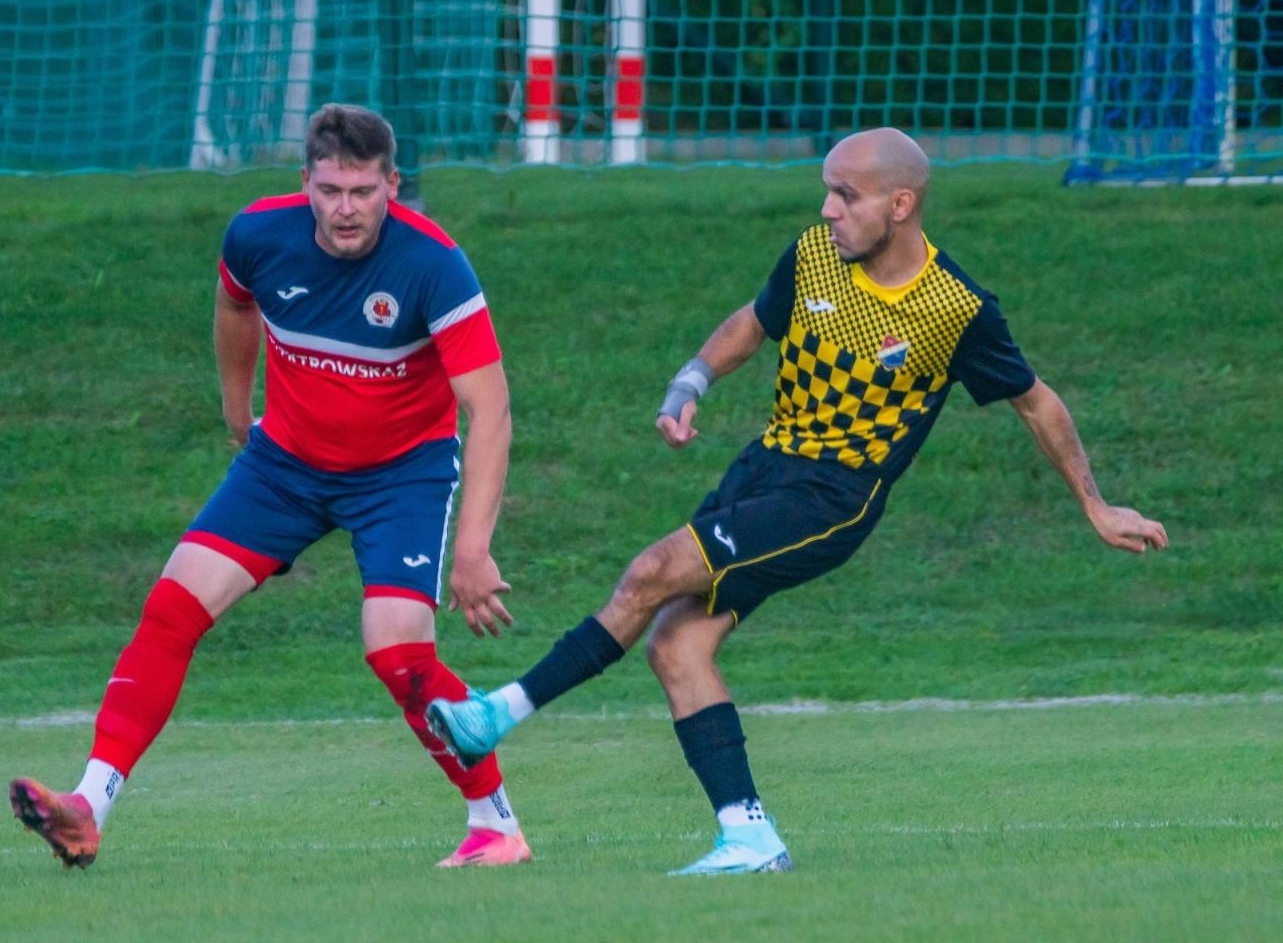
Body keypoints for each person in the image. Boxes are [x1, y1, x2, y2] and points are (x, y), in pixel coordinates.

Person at [426, 127, 1168, 876]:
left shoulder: (956, 308)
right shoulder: (815, 253)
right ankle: (748, 835)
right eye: (828, 190)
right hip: (765, 469)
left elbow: (1037, 403)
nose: (828, 208)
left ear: (901, 203)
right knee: (676, 644)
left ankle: (497, 715)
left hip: (833, 495)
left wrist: (1096, 506)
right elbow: (755, 321)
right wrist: (691, 381)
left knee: (651, 570)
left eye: (846, 194)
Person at [10, 103, 530, 870]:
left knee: (398, 654)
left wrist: (474, 548)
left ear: (393, 184)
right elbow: (233, 305)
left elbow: (490, 407)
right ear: (305, 184)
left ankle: (496, 824)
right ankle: (88, 805)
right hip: (285, 464)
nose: (344, 208)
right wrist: (235, 407)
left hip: (401, 475)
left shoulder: (434, 263)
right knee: (171, 607)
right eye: (328, 189)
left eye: (362, 190)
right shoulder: (258, 235)